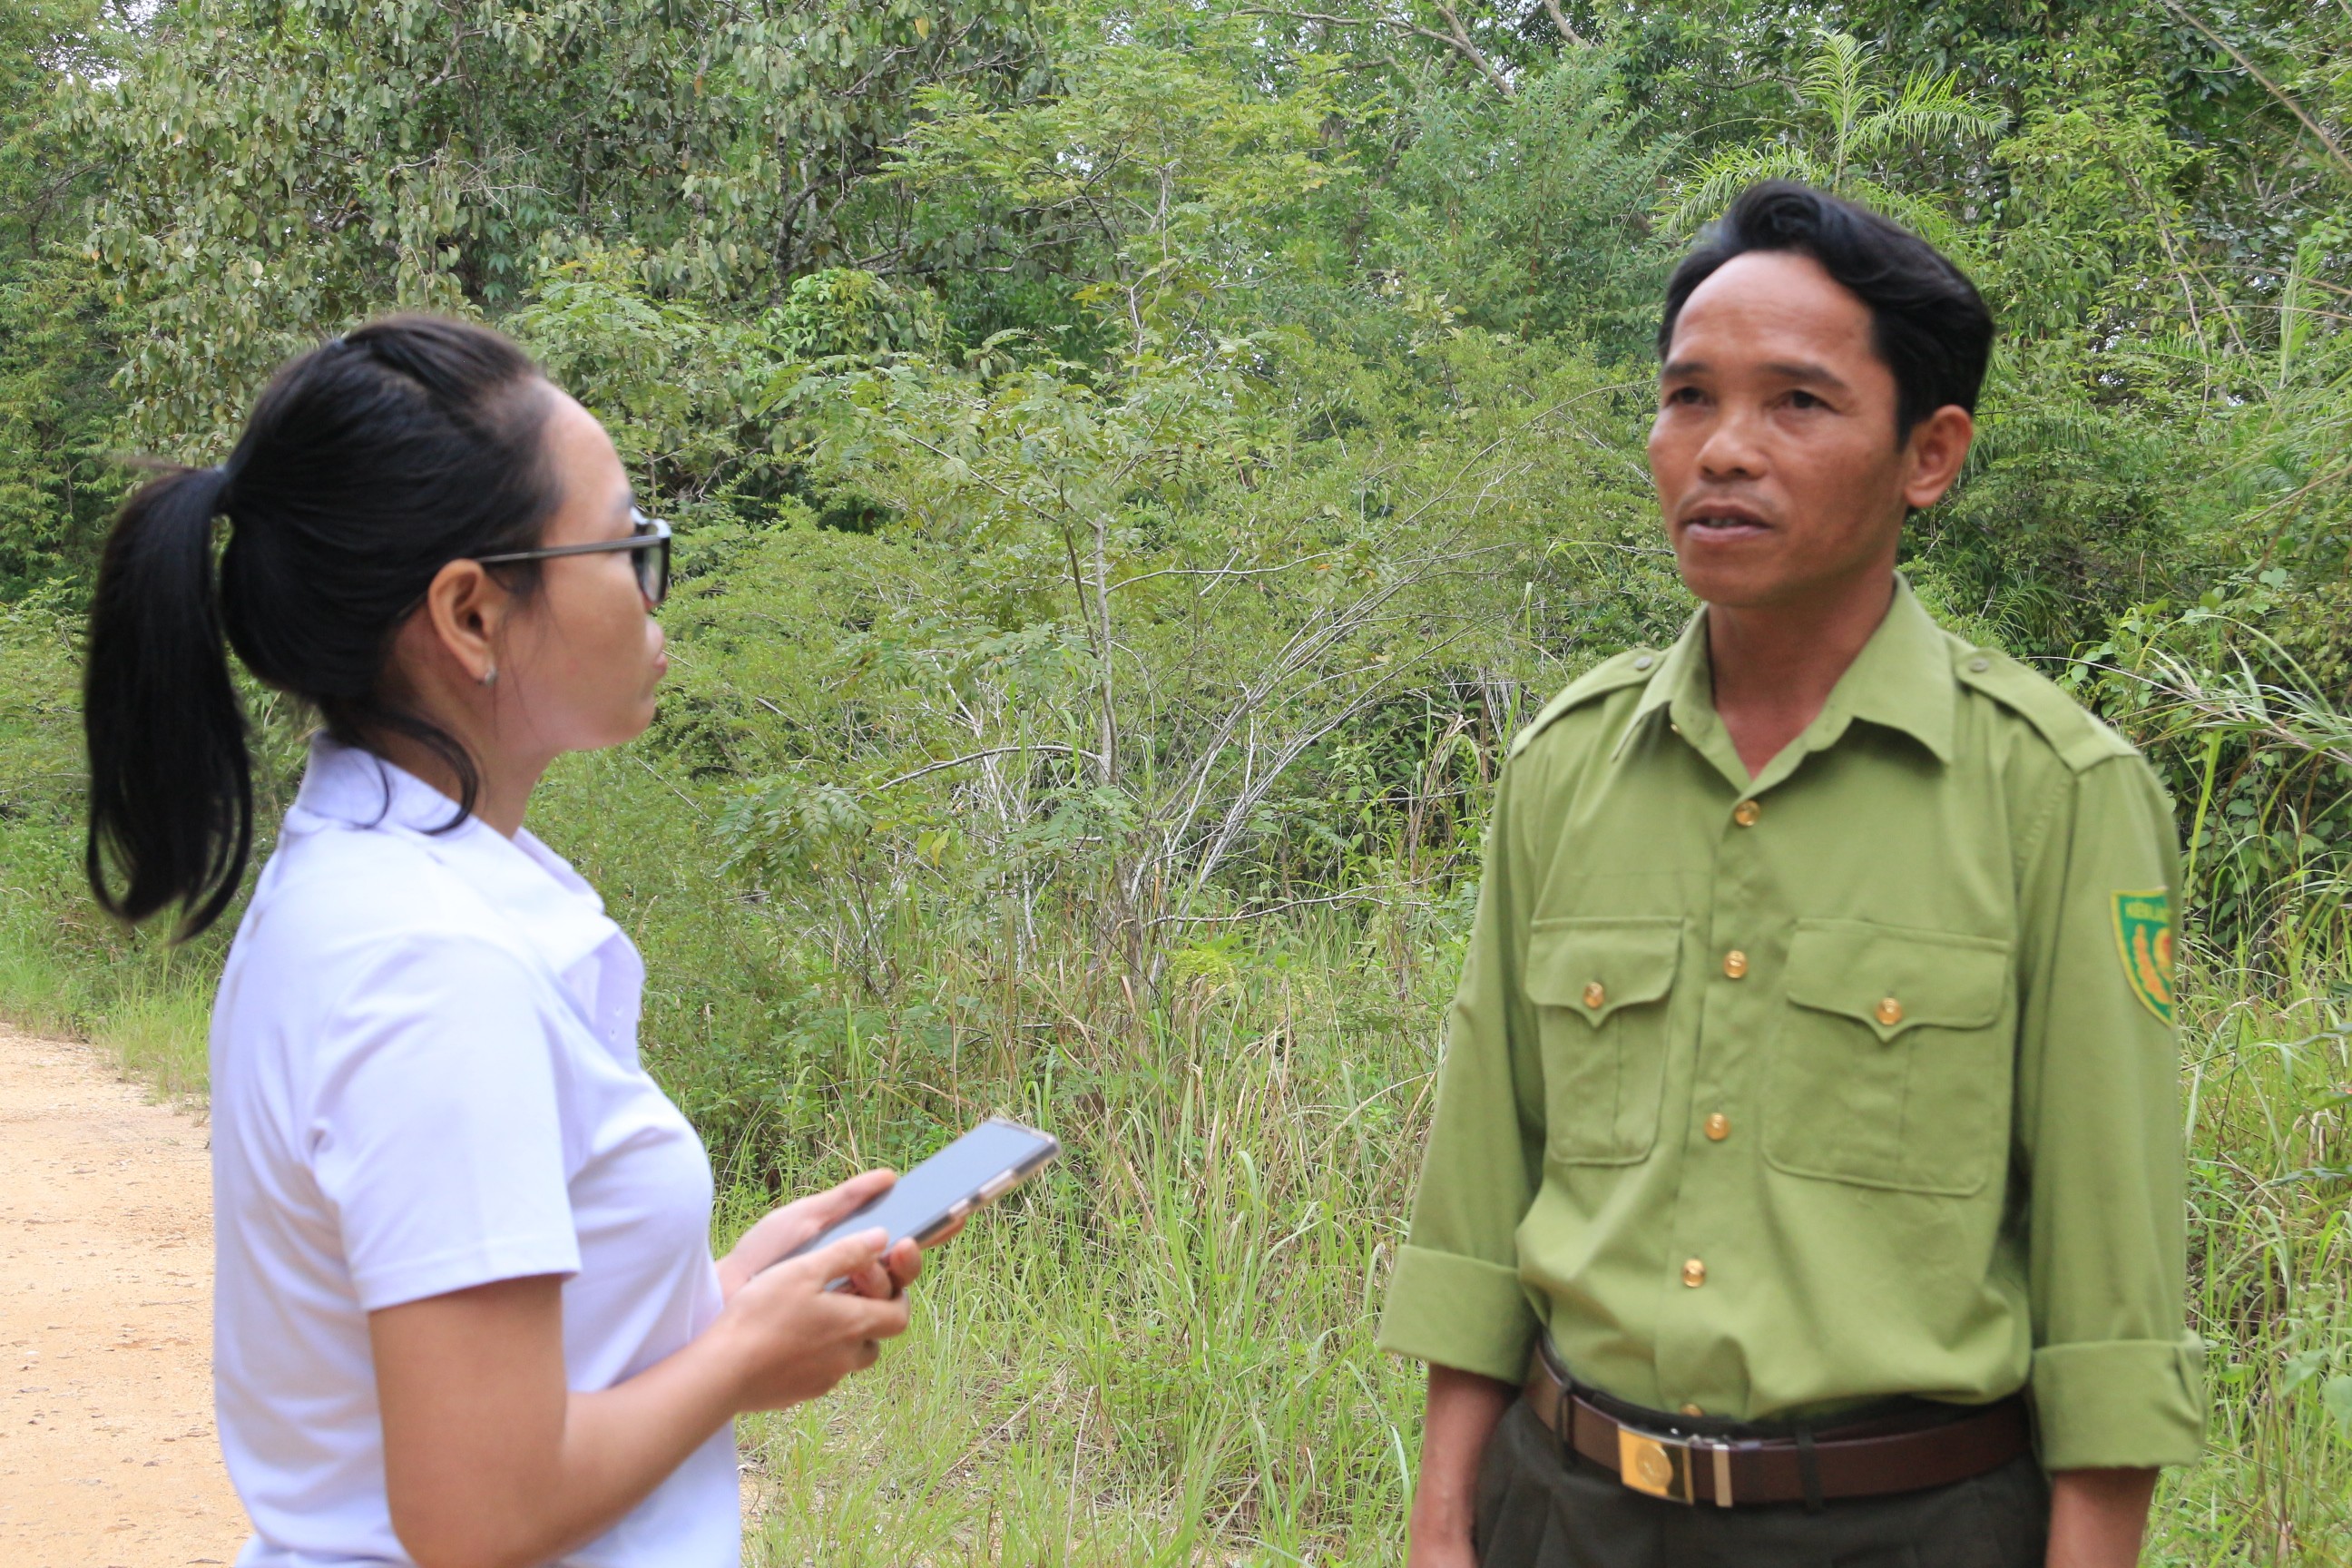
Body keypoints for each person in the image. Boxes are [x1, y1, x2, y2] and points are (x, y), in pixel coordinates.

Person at [1380, 183, 2203, 1567]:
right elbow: (1482, 1173)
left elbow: (2109, 1255)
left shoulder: (2055, 793)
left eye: (1799, 405)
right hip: (1564, 1508)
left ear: (1928, 456)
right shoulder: (1567, 765)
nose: (1724, 451)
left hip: (1908, 1524)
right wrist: (1445, 1518)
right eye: (1688, 397)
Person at [82, 317, 936, 1568]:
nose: (653, 589)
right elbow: (481, 1509)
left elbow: (486, 1365)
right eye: (628, 544)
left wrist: (717, 1303)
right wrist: (742, 1360)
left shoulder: (376, 895)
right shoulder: (431, 970)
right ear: (472, 613)